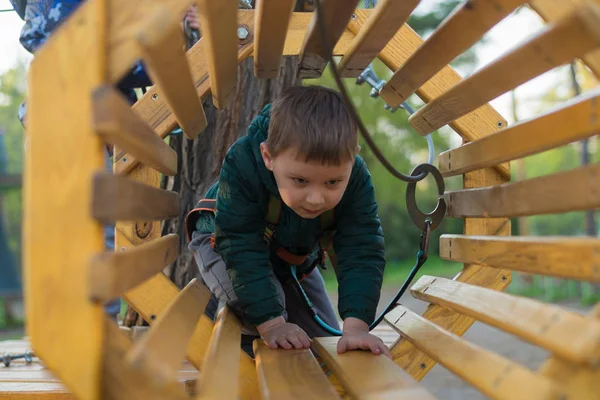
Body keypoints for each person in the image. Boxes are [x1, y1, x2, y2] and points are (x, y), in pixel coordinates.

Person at [186, 85, 390, 357]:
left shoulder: (356, 178)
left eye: (332, 182)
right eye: (301, 180)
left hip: (289, 258)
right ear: (268, 156)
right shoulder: (243, 162)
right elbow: (240, 245)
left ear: (353, 157)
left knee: (327, 341)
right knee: (264, 318)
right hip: (223, 244)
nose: (316, 199)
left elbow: (361, 250)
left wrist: (356, 327)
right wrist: (271, 324)